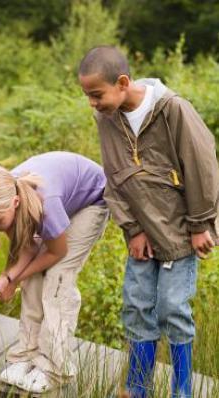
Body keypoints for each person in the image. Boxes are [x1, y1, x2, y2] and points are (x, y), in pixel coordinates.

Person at [78, 45, 219, 397]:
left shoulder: (173, 110)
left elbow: (203, 166)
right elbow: (113, 176)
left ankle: (182, 390)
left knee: (173, 308)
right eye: (88, 96)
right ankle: (137, 389)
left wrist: (202, 223)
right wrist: (132, 229)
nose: (92, 104)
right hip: (142, 235)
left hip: (181, 231)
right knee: (137, 307)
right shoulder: (106, 120)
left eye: (97, 95)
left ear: (123, 82)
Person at [0, 151, 109, 393]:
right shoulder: (3, 194)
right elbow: (27, 247)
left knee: (57, 278)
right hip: (59, 198)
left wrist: (10, 279)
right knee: (32, 277)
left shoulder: (45, 202)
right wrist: (7, 279)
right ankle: (26, 354)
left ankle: (55, 368)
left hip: (91, 201)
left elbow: (57, 252)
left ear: (15, 203)